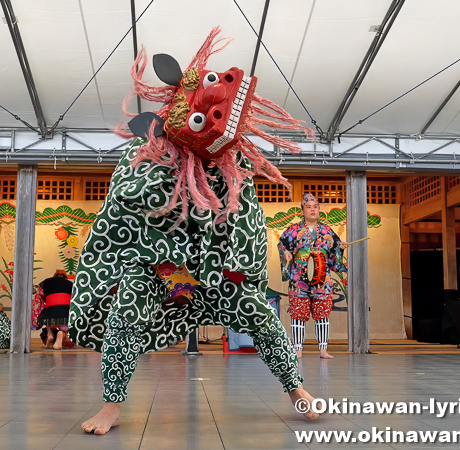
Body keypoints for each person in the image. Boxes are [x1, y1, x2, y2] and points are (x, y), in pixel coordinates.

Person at [69, 28, 320, 435]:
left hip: (215, 273)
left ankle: (297, 390)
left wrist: (236, 269)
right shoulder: (145, 154)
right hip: (166, 271)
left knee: (262, 318)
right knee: (125, 313)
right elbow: (126, 199)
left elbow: (247, 220)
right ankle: (112, 405)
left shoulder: (230, 165)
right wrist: (172, 187)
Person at [278, 193, 349, 360]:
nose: (312, 210)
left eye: (315, 207)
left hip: (322, 278)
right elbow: (281, 244)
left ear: (319, 210)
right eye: (308, 207)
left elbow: (336, 249)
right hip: (298, 278)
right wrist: (286, 252)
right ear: (302, 210)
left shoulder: (327, 230)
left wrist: (341, 248)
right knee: (297, 314)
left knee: (322, 314)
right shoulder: (293, 230)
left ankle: (323, 350)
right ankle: (298, 349)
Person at [32, 270, 74, 350]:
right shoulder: (71, 284)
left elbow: (39, 298)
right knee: (65, 327)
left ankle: (50, 334)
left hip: (50, 311)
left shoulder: (45, 282)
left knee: (50, 323)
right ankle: (62, 334)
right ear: (65, 277)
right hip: (65, 311)